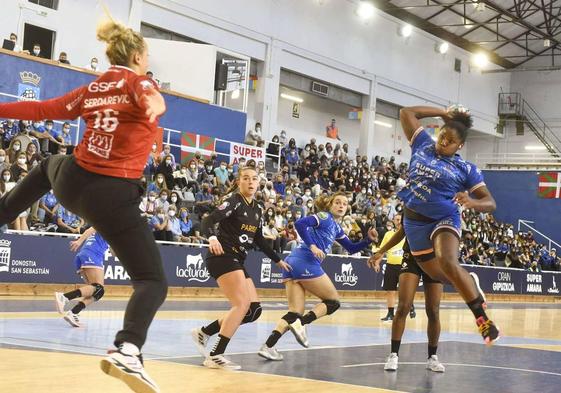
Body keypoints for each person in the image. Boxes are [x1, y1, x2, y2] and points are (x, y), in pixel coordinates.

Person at [0, 17, 167, 392]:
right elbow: (148, 95)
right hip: (111, 196)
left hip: (70, 180)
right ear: (138, 55)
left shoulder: (93, 89)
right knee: (152, 280)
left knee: (45, 165)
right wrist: (154, 104)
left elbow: (41, 110)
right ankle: (127, 350)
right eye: (147, 56)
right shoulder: (140, 82)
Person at [398, 105, 499, 345]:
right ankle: (470, 283)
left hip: (444, 218)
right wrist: (443, 113)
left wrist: (472, 202)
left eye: (450, 141)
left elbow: (490, 202)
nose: (444, 142)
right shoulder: (422, 143)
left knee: (447, 261)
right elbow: (406, 113)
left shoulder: (465, 169)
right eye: (442, 136)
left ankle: (483, 319)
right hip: (414, 221)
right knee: (442, 276)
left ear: (459, 146)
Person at [190, 163, 291, 370]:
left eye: (254, 178)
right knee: (241, 305)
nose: (250, 182)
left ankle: (204, 332)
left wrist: (278, 260)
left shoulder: (259, 209)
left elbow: (260, 240)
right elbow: (208, 220)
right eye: (246, 178)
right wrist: (211, 238)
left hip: (237, 259)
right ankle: (215, 354)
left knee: (253, 311)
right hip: (222, 255)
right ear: (239, 181)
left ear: (259, 183)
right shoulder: (234, 200)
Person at [258, 192, 377, 361]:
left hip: (292, 263)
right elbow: (300, 223)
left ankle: (268, 346)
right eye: (338, 202)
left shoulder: (336, 227)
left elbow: (350, 248)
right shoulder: (325, 217)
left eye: (344, 203)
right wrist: (313, 246)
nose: (342, 205)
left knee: (294, 312)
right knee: (333, 302)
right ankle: (302, 324)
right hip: (305, 261)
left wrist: (368, 240)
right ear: (330, 205)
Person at [369, 228, 445, 373]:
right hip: (412, 257)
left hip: (435, 259)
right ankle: (393, 355)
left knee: (433, 310)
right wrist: (381, 251)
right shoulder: (412, 205)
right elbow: (402, 231)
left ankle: (432, 357)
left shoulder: (446, 207)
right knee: (403, 306)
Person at [54, 227, 109, 327]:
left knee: (97, 292)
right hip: (92, 254)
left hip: (87, 254)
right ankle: (64, 297)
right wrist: (79, 241)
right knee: (98, 288)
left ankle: (74, 312)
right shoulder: (112, 220)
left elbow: (114, 251)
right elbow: (91, 229)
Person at [376, 213, 416, 322]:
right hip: (391, 265)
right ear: (393, 221)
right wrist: (377, 262)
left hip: (404, 265)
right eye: (396, 219)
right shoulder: (388, 234)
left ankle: (410, 306)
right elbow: (382, 250)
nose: (398, 221)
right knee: (390, 290)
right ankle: (390, 313)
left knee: (405, 290)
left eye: (400, 219)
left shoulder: (409, 233)